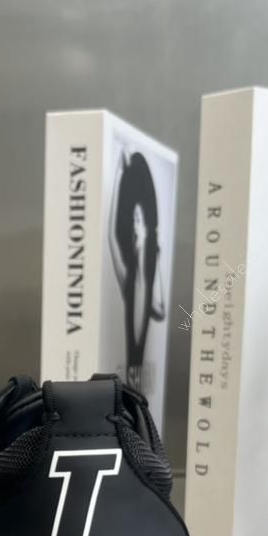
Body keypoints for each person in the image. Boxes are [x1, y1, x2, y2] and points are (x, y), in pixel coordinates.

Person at [109, 150, 165, 392]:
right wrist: (117, 174)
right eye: (132, 219)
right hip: (128, 393)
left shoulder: (148, 279)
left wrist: (155, 255)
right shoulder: (129, 281)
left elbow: (161, 310)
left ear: (146, 226)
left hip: (141, 394)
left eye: (139, 219)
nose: (134, 224)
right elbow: (111, 237)